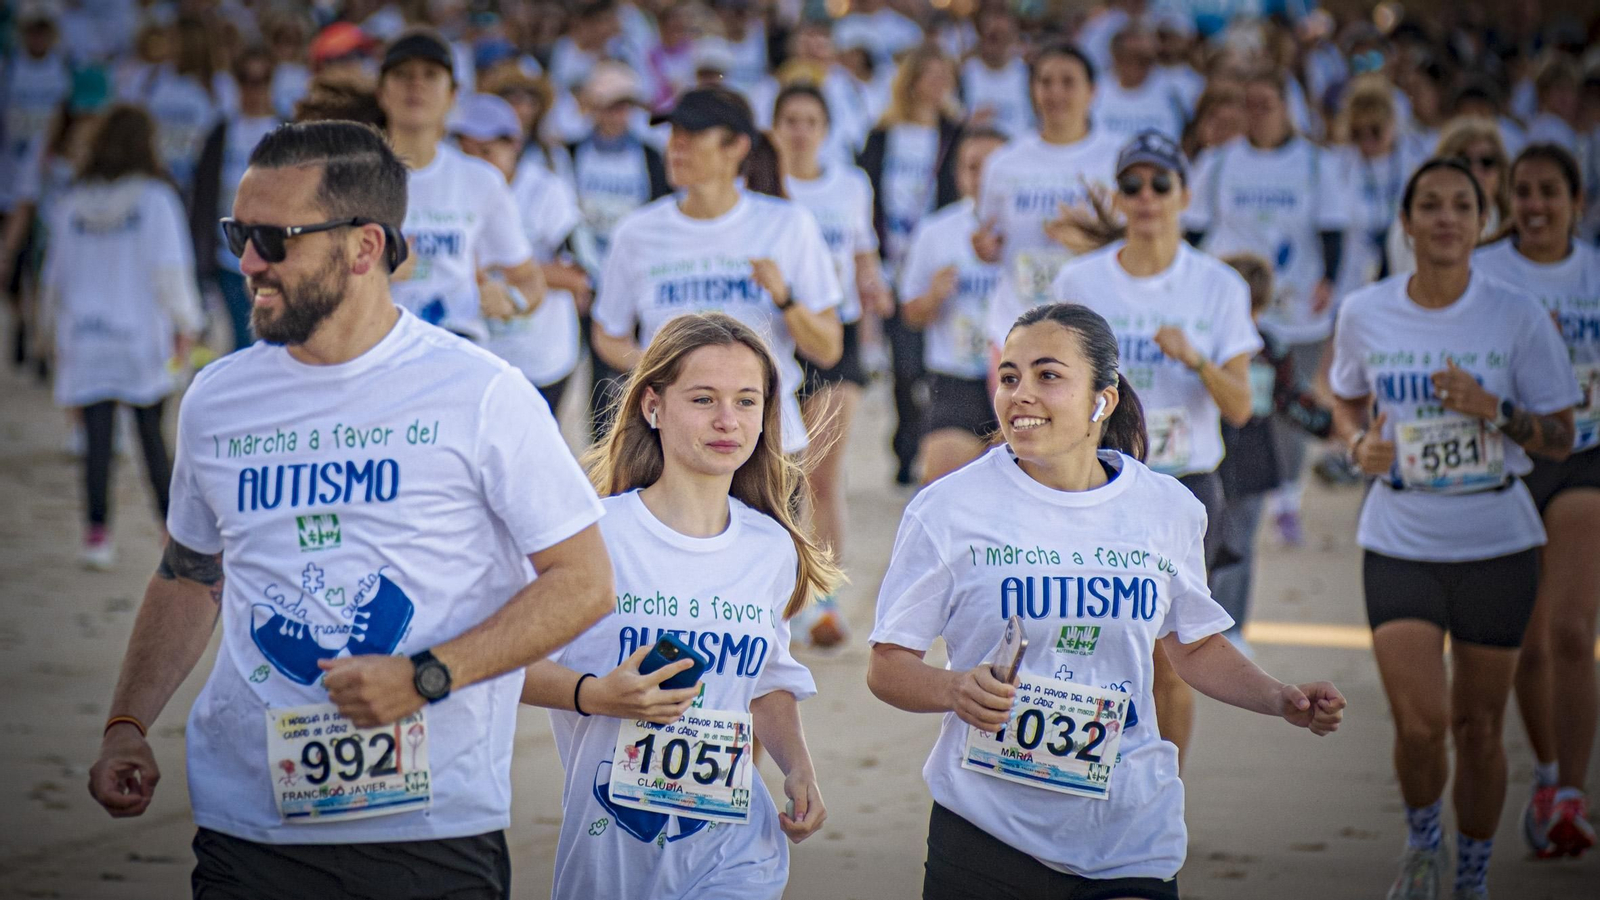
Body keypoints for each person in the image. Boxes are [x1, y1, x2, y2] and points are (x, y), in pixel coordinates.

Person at [85, 120, 614, 898]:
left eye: (273, 238)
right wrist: (126, 725)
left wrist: (427, 677)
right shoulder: (216, 399)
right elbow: (189, 573)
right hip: (248, 821)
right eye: (238, 232)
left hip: (431, 825)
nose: (247, 263)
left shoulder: (482, 393)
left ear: (364, 247)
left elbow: (583, 582)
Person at [867, 300, 1345, 900]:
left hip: (1129, 831)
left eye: (1049, 375)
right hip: (985, 828)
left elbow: (1194, 647)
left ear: (1104, 399)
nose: (1021, 393)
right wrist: (952, 688)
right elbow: (887, 665)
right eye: (1009, 376)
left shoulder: (1167, 508)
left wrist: (1278, 697)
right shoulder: (948, 508)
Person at [1329, 157, 1580, 900]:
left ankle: (1472, 876)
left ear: (1480, 221)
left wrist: (1493, 409)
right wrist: (1355, 446)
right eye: (1429, 206)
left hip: (1497, 542)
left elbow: (1563, 436)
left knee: (1477, 726)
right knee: (1419, 725)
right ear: (1404, 223)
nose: (1445, 218)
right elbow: (1343, 398)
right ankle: (1423, 840)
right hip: (1401, 536)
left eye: (1461, 206)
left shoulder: (1514, 314)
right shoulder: (1365, 311)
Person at [521, 312, 837, 898]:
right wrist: (593, 695)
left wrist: (798, 768)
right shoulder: (595, 538)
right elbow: (499, 667)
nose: (727, 421)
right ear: (652, 406)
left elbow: (764, 681)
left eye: (747, 401)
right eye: (703, 399)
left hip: (739, 854)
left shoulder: (771, 546)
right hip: (608, 858)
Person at [1052, 130, 1261, 770]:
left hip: (1183, 485)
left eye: (1160, 184)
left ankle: (1162, 793)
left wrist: (1195, 358)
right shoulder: (1080, 279)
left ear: (1184, 195)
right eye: (1133, 185)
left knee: (1170, 658)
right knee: (1090, 648)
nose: (1147, 198)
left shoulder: (1218, 285)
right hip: (1097, 482)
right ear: (1118, 198)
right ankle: (1091, 780)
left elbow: (1241, 406)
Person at [591, 85, 843, 461]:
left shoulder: (787, 225)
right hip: (665, 444)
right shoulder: (637, 232)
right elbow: (607, 335)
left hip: (767, 443)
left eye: (692, 136)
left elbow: (828, 347)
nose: (676, 146)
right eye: (674, 135)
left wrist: (785, 299)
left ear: (737, 147)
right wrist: (668, 371)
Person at [1477, 144, 1600, 860]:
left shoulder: (1593, 271)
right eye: (1523, 191)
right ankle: (1548, 773)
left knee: (1570, 628)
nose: (1534, 205)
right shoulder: (1489, 273)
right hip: (1513, 457)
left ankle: (1572, 795)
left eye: (1550, 192)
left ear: (1576, 200)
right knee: (1523, 639)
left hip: (1584, 455)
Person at [1184, 69, 1350, 548]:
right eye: (1249, 103)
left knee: (1288, 402)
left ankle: (1286, 498)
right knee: (1244, 406)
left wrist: (1329, 279)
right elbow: (1192, 233)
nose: (1256, 113)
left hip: (1296, 306)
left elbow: (1331, 227)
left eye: (1267, 103)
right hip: (1234, 308)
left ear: (1287, 108)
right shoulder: (1219, 162)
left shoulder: (1314, 163)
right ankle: (1238, 497)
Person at [39, 105, 201, 569]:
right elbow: (171, 271)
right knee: (152, 436)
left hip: (85, 337)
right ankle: (172, 533)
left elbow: (55, 278)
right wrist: (187, 324)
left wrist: (50, 337)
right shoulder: (156, 199)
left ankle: (96, 536)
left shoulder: (70, 202)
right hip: (140, 337)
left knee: (97, 441)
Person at [771, 83, 889, 646]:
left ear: (826, 128)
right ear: (775, 128)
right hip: (773, 334)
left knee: (821, 475)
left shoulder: (850, 184)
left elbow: (863, 253)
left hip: (834, 332)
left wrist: (873, 287)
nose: (799, 130)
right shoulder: (764, 188)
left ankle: (828, 600)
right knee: (776, 477)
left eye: (810, 120)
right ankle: (777, 593)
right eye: (790, 119)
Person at [376, 28, 546, 342]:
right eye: (402, 74)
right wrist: (371, 274)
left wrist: (511, 301)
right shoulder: (350, 178)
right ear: (382, 92)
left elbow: (529, 279)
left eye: (430, 74)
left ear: (453, 95)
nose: (416, 84)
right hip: (378, 349)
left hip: (459, 346)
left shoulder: (480, 180)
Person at [1212, 252, 1333, 649]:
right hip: (1204, 462)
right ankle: (1194, 630)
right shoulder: (1201, 349)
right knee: (1199, 546)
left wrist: (1334, 426)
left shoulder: (1270, 350)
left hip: (1253, 462)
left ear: (1261, 308)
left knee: (1241, 545)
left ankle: (1232, 630)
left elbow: (1293, 399)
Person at [857, 45, 964, 486]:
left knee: (930, 361)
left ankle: (927, 442)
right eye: (930, 74)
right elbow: (867, 194)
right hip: (892, 259)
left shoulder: (955, 135)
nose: (937, 85)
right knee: (902, 364)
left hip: (937, 259)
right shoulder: (883, 134)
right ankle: (905, 448)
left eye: (946, 76)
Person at [451, 92, 589, 417]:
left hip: (542, 360)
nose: (477, 164)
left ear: (513, 145)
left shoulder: (547, 192)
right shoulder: (455, 193)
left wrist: (504, 266)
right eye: (466, 153)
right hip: (482, 358)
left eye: (486, 151)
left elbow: (581, 277)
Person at [975, 44, 1121, 336]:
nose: (1055, 93)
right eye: (1045, 82)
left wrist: (1091, 236)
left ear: (1092, 91)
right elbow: (989, 236)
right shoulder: (1003, 162)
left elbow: (1135, 239)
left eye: (1068, 82)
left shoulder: (1117, 157)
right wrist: (984, 249)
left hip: (1094, 325)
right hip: (1016, 323)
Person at [568, 61, 672, 439]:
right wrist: (580, 270)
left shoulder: (649, 155)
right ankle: (599, 455)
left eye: (625, 105)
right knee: (588, 377)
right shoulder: (570, 151)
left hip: (632, 275)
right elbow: (566, 216)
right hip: (584, 276)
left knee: (627, 371)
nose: (619, 114)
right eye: (611, 105)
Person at [899, 127, 1007, 484]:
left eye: (994, 167)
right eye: (973, 167)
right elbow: (910, 315)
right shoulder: (937, 231)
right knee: (941, 488)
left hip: (1023, 377)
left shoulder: (1037, 231)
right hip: (957, 376)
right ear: (959, 174)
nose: (983, 177)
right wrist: (933, 297)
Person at [192, 47, 285, 354]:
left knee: (276, 342)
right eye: (247, 79)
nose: (254, 88)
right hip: (228, 256)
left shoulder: (288, 131)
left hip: (278, 256)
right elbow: (203, 198)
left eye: (262, 79)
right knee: (237, 344)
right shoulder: (220, 132)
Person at [1386, 117, 1512, 277]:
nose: (1476, 171)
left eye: (1486, 162)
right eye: (1464, 161)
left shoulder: (1515, 228)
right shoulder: (1415, 224)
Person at [1090, 26, 1187, 144]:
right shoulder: (1095, 91)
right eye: (1128, 56)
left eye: (1145, 59)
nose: (1135, 65)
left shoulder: (1172, 91)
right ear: (1115, 56)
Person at [960, 9, 1032, 138]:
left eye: (1004, 36)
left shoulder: (1028, 75)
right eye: (992, 37)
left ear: (1014, 38)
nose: (998, 42)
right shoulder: (964, 73)